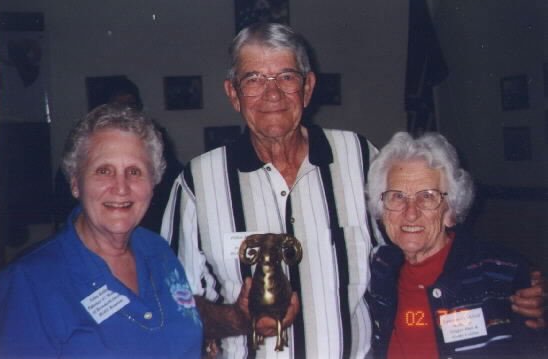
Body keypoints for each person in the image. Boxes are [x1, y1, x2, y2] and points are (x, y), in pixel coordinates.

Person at [160, 23, 545, 358]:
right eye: (254, 79)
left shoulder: (359, 157)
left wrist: (511, 286)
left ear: (308, 88)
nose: (272, 93)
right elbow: (172, 304)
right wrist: (233, 319)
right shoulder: (197, 183)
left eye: (286, 77)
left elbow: (422, 237)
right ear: (233, 93)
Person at [0, 104, 203, 358]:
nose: (121, 188)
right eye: (104, 171)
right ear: (75, 183)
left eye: (134, 172)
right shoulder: (27, 283)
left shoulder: (159, 253)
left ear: (153, 182)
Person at [365, 132, 545, 358]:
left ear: (450, 210)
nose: (411, 213)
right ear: (382, 211)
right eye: (397, 196)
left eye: (427, 197)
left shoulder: (500, 274)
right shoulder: (377, 269)